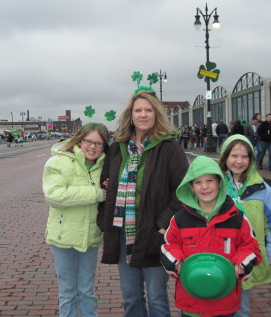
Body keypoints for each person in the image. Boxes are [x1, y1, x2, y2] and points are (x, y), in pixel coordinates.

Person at [98, 88, 189, 317]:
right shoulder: (118, 148)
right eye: (138, 110)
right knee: (131, 298)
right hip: (122, 232)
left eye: (148, 110)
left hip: (153, 233)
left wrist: (162, 224)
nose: (143, 115)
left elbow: (183, 191)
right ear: (130, 115)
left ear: (156, 114)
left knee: (157, 298)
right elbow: (104, 184)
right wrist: (104, 220)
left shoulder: (169, 148)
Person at [160, 156, 261, 317]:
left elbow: (250, 247)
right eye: (198, 182)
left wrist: (241, 264)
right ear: (191, 187)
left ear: (219, 183)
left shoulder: (237, 217)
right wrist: (176, 262)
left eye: (210, 181)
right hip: (190, 301)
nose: (205, 187)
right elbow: (169, 246)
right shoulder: (180, 219)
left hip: (224, 302)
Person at [42, 122, 110, 317]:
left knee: (87, 290)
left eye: (99, 143)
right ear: (80, 141)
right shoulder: (58, 162)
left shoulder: (105, 166)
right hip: (63, 237)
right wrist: (97, 193)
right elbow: (55, 196)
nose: (93, 147)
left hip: (90, 237)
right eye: (89, 141)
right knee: (68, 292)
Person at [218, 135, 271, 317]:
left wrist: (269, 256)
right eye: (234, 156)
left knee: (241, 309)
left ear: (251, 159)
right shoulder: (214, 185)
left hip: (245, 262)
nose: (239, 161)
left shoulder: (262, 189)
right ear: (225, 157)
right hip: (218, 262)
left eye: (244, 156)